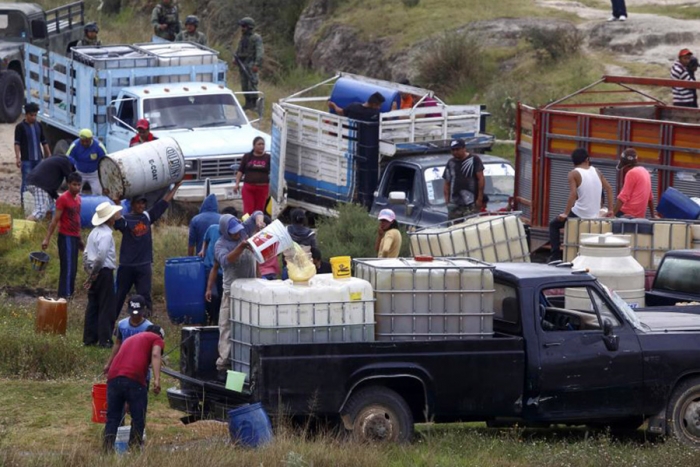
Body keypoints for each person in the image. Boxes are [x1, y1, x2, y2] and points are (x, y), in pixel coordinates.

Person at [113, 182, 182, 317]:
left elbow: (163, 203)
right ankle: (110, 321)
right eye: (138, 203)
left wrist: (176, 187)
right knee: (119, 295)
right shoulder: (126, 219)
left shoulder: (147, 217)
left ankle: (146, 322)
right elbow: (117, 219)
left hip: (143, 265)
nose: (141, 205)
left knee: (145, 295)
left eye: (143, 203)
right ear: (132, 204)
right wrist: (116, 202)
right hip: (127, 265)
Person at [205, 215, 257, 378]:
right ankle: (224, 365)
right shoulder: (220, 245)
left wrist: (260, 219)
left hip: (250, 291)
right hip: (231, 292)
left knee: (249, 327)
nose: (237, 234)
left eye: (238, 231)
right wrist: (209, 288)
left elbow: (255, 215)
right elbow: (225, 262)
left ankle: (250, 362)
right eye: (233, 233)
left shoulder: (244, 232)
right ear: (225, 231)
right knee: (226, 326)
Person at [103, 325, 164, 451]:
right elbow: (156, 355)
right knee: (138, 417)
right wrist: (157, 379)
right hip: (134, 378)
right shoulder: (157, 338)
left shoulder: (130, 339)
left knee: (113, 416)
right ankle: (134, 449)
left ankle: (107, 450)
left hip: (113, 378)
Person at [547, 148, 614, 262]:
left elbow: (573, 194)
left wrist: (565, 213)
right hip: (595, 214)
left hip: (580, 213)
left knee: (553, 225)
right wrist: (611, 210)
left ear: (573, 161)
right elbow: (609, 188)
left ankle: (555, 257)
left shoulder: (573, 174)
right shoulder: (597, 171)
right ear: (587, 159)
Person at [328, 92, 386, 208]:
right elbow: (387, 119)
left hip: (351, 143)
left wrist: (333, 106)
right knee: (365, 175)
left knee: (353, 173)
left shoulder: (353, 107)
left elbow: (340, 112)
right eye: (378, 105)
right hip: (368, 146)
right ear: (374, 104)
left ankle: (354, 196)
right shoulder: (374, 114)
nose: (379, 108)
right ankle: (362, 200)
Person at [83, 201, 122, 347]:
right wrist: (95, 273)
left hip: (94, 269)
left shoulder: (93, 233)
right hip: (103, 272)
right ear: (109, 219)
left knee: (93, 305)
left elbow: (86, 254)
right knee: (106, 306)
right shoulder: (106, 235)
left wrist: (89, 271)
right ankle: (104, 339)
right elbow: (101, 256)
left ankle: (89, 338)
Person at [42, 172, 83, 299]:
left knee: (74, 267)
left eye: (78, 185)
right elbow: (55, 220)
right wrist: (47, 239)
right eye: (74, 185)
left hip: (74, 236)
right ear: (69, 184)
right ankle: (64, 296)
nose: (76, 187)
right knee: (67, 267)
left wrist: (80, 238)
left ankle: (69, 293)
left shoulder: (79, 199)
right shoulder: (63, 199)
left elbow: (77, 219)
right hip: (65, 236)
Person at [200, 206, 238, 325]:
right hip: (215, 270)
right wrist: (203, 250)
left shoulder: (237, 237)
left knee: (224, 299)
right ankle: (213, 319)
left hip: (229, 275)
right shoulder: (214, 231)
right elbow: (206, 240)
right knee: (214, 297)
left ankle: (220, 321)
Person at [103, 295, 153, 376]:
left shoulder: (149, 327)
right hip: (124, 365)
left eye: (138, 314)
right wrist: (109, 363)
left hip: (141, 369)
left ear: (143, 310)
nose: (135, 317)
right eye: (133, 314)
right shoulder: (122, 324)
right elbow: (117, 344)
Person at [15, 102, 50, 206]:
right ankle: (24, 205)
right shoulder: (20, 127)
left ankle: (38, 204)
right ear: (26, 114)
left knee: (39, 182)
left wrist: (49, 154)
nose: (34, 117)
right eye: (32, 115)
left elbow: (44, 141)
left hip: (38, 159)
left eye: (35, 115)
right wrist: (17, 157)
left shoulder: (38, 125)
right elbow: (17, 143)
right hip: (26, 160)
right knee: (26, 182)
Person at [442, 138, 485, 220]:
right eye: (453, 150)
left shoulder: (474, 160)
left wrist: (479, 199)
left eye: (457, 149)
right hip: (454, 204)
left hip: (470, 203)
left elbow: (481, 179)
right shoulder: (451, 163)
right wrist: (447, 202)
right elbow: (447, 183)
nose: (455, 152)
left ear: (464, 148)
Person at [25, 154, 75, 221]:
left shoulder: (57, 161)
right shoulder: (66, 162)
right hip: (39, 184)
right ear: (71, 165)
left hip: (34, 182)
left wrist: (58, 198)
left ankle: (46, 226)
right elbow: (70, 178)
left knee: (51, 207)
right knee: (40, 211)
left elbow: (50, 190)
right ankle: (23, 227)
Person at [612, 149, 655, 219]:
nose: (624, 171)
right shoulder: (645, 171)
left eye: (624, 168)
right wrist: (653, 216)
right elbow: (650, 198)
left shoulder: (631, 173)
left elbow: (623, 197)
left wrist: (612, 215)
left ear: (627, 166)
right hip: (640, 216)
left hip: (627, 214)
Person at [234, 136, 270, 215]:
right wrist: (237, 184)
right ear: (254, 146)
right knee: (248, 211)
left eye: (263, 144)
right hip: (248, 188)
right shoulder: (247, 157)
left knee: (259, 211)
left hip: (262, 189)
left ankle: (257, 227)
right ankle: (246, 226)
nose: (261, 146)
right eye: (259, 144)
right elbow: (240, 171)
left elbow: (272, 174)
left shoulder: (268, 157)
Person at [235, 17, 264, 110]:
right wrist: (235, 58)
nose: (242, 28)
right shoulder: (243, 38)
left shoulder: (256, 38)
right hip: (242, 63)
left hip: (251, 64)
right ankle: (247, 103)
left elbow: (260, 51)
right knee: (244, 85)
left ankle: (254, 103)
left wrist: (257, 64)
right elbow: (239, 49)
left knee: (252, 84)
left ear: (249, 27)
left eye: (244, 26)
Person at [66, 129, 107, 195]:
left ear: (91, 139)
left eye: (87, 141)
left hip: (94, 174)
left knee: (98, 193)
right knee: (75, 193)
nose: (84, 143)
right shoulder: (74, 145)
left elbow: (105, 160)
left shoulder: (99, 146)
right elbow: (67, 158)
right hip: (79, 173)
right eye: (82, 141)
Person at [281, 208, 316, 280]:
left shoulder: (286, 231)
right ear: (303, 219)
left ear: (292, 219)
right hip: (306, 270)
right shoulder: (310, 234)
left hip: (289, 269)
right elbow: (315, 251)